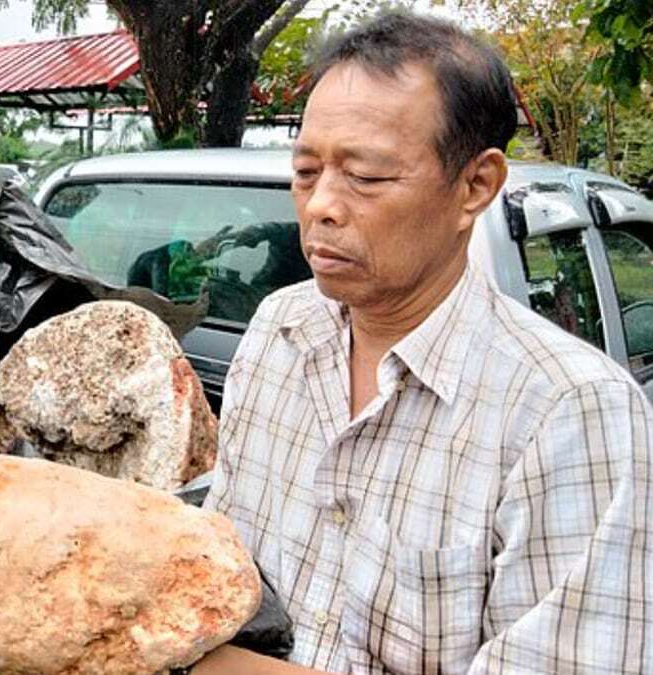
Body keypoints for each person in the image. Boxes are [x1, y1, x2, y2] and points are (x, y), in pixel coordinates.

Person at [192, 11, 652, 674]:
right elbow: (220, 578)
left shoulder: (571, 412)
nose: (321, 204)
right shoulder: (277, 331)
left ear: (475, 186)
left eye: (367, 177)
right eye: (305, 171)